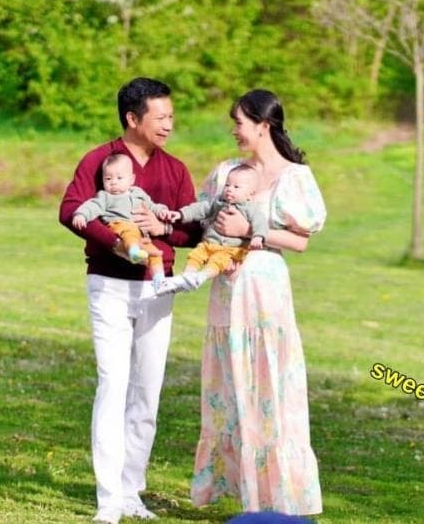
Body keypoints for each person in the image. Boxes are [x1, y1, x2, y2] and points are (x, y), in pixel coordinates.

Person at [59, 78, 199, 524]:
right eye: (161, 117)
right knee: (112, 384)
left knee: (147, 392)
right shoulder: (99, 160)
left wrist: (162, 230)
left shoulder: (175, 170)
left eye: (171, 117)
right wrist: (116, 243)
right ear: (132, 118)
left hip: (157, 288)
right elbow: (71, 210)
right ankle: (108, 501)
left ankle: (130, 491)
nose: (169, 125)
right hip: (108, 285)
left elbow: (193, 231)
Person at [190, 89, 326, 516]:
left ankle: (279, 496)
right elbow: (203, 218)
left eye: (239, 122)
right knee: (230, 387)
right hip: (228, 292)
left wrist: (251, 233)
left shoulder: (294, 177)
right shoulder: (227, 172)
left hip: (265, 294)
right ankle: (240, 491)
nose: (234, 130)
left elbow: (301, 241)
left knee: (270, 385)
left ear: (263, 125)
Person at [155, 164, 268, 295]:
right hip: (209, 243)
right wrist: (181, 214)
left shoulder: (251, 209)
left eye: (236, 187)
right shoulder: (218, 202)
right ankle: (188, 276)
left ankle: (201, 277)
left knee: (218, 262)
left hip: (231, 249)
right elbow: (200, 208)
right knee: (196, 255)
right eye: (227, 185)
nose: (229, 189)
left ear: (250, 195)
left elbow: (260, 222)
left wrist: (258, 236)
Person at [72, 152, 169, 289]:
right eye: (108, 178)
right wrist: (81, 215)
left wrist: (162, 211)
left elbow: (152, 206)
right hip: (118, 226)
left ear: (132, 179)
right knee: (129, 230)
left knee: (155, 254)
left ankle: (159, 280)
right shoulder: (105, 196)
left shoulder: (139, 194)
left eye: (119, 178)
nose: (113, 183)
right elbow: (92, 206)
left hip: (141, 236)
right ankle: (133, 252)